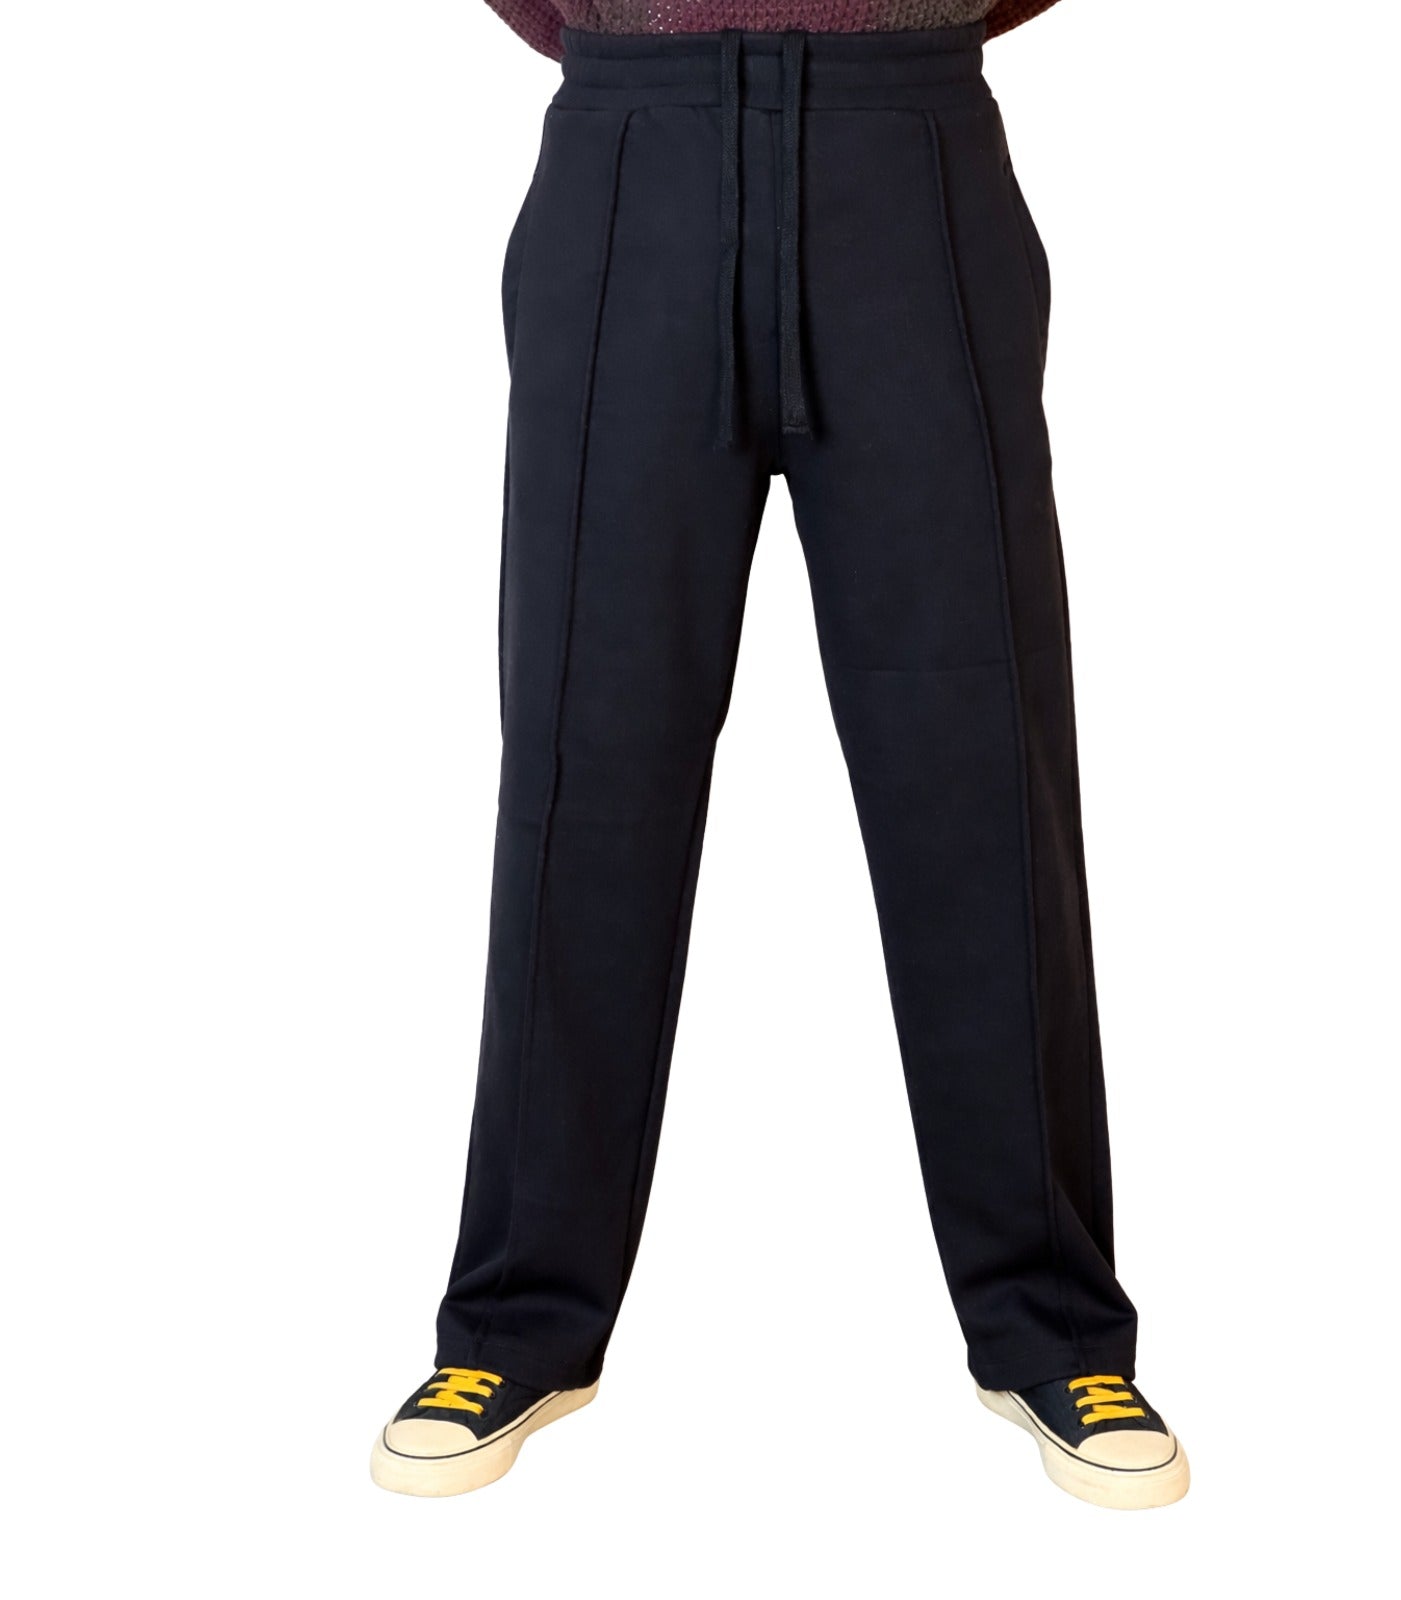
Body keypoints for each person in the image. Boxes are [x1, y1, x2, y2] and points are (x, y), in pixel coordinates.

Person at [370, 0, 1188, 1511]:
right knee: (585, 757)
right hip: (632, 145)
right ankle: (518, 1322)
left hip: (911, 145)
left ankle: (1053, 1327)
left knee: (979, 767)